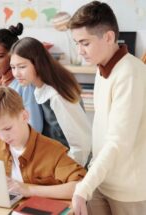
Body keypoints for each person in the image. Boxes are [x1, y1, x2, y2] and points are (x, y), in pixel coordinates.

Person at [68, 1, 146, 214]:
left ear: (109, 37)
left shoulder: (130, 72)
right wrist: (90, 179)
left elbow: (118, 141)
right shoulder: (102, 68)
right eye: (76, 43)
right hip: (102, 181)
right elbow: (101, 132)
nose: (79, 51)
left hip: (128, 191)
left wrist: (83, 187)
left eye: (85, 43)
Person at [0, 87, 86, 199]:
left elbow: (81, 186)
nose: (3, 137)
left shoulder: (53, 151)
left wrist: (28, 189)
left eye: (8, 128)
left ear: (24, 116)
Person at [9, 37, 91, 167]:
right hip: (56, 162)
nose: (16, 73)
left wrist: (68, 172)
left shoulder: (56, 95)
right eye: (13, 67)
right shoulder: (40, 89)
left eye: (22, 67)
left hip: (70, 168)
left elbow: (81, 144)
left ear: (37, 63)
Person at [0, 23, 43, 156]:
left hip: (16, 150)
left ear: (12, 55)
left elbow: (34, 126)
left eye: (0, 56)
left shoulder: (24, 83)